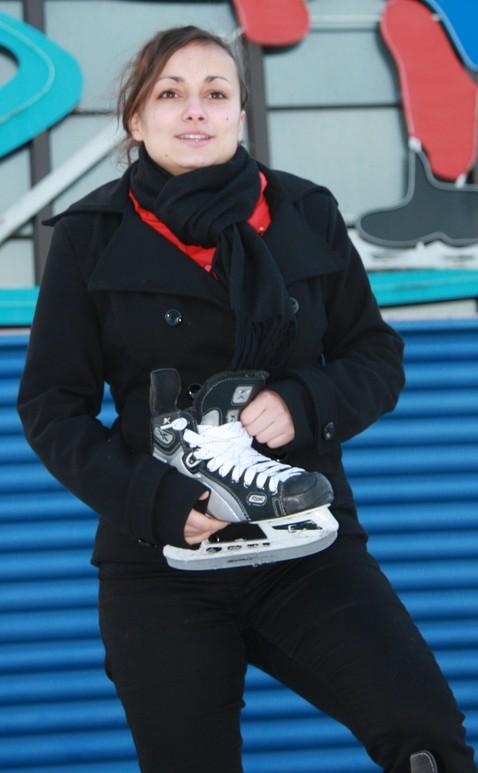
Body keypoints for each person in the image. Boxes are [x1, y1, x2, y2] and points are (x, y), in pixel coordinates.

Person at [17, 25, 476, 773]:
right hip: (163, 559)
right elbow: (52, 407)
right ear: (136, 121)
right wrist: (158, 500)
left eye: (215, 93)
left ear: (239, 114)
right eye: (171, 93)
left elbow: (375, 355)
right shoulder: (89, 238)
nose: (194, 110)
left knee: (426, 733)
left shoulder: (305, 212)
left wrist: (307, 397)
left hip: (308, 543)